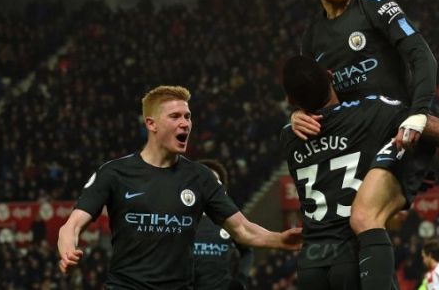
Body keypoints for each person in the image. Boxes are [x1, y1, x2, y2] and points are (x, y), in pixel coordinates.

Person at [293, 0, 439, 288]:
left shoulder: (376, 7)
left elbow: (422, 56)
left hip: (397, 134)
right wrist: (297, 115)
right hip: (354, 144)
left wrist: (418, 114)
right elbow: (310, 97)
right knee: (346, 239)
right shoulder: (312, 38)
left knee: (363, 218)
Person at [57, 85, 302, 289]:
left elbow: (243, 230)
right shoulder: (114, 172)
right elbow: (72, 225)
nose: (185, 123)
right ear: (151, 124)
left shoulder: (201, 178)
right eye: (175, 117)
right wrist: (68, 247)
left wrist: (279, 240)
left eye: (187, 116)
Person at [280, 56, 439, 290]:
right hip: (357, 256)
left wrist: (295, 116)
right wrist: (415, 118)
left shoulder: (288, 137)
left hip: (310, 267)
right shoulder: (372, 111)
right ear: (330, 75)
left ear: (291, 100)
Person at [194, 159, 253, 290]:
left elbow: (247, 252)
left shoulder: (230, 220)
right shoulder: (182, 218)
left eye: (215, 181)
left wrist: (241, 279)